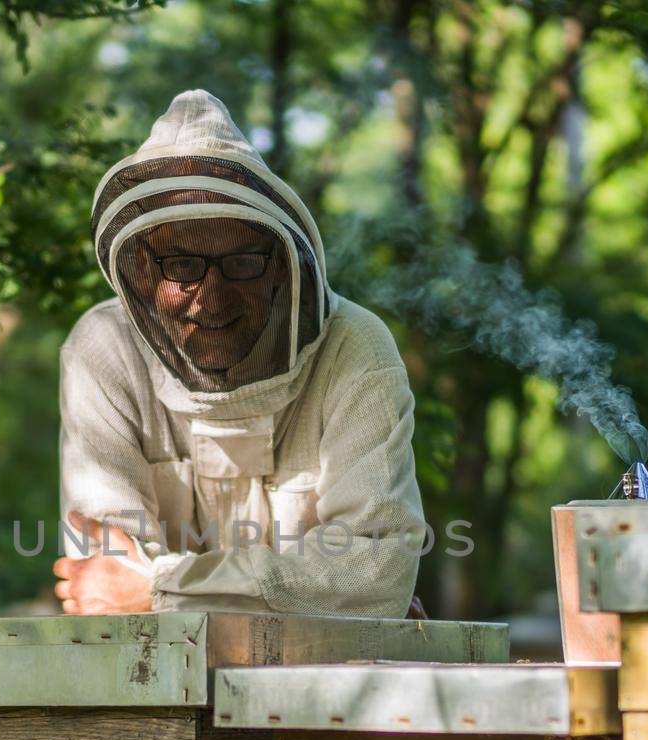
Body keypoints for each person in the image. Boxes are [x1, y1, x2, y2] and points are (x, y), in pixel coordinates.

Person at [52, 89, 426, 619]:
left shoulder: (353, 348)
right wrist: (310, 590)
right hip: (151, 692)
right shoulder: (103, 351)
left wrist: (163, 589)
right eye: (181, 263)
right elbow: (104, 577)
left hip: (324, 683)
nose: (211, 294)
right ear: (141, 268)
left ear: (278, 264)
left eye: (241, 260)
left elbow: (375, 568)